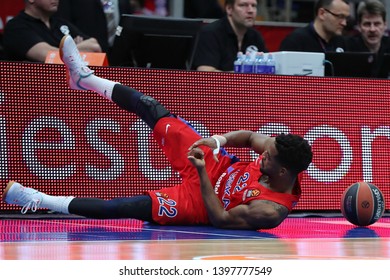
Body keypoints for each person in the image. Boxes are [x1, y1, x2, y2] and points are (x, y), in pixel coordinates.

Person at [2, 35, 313, 230]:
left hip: (199, 202)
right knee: (151, 108)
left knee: (125, 207)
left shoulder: (270, 210)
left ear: (283, 170)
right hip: (218, 163)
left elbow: (220, 218)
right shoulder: (278, 152)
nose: (264, 152)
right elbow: (246, 136)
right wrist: (216, 141)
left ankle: (37, 199)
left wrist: (202, 173)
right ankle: (85, 79)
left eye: (268, 156)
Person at [3, 0, 101, 63]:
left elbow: (95, 46)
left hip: (67, 87)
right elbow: (50, 57)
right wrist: (76, 48)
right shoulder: (16, 27)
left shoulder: (59, 22)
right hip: (33, 90)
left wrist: (62, 51)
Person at [192, 0, 268, 72]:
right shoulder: (210, 33)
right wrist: (244, 76)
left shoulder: (255, 36)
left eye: (254, 5)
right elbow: (206, 72)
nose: (250, 10)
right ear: (229, 9)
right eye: (243, 5)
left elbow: (267, 68)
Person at [56, 0, 133, 55]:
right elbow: (65, 20)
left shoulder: (124, 2)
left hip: (119, 51)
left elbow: (125, 23)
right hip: (89, 50)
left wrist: (119, 36)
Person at [279, 0, 350, 52]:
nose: (344, 23)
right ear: (322, 13)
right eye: (340, 16)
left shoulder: (342, 42)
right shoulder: (296, 41)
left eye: (346, 18)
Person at [345, 0, 390, 77]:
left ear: (385, 25)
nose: (372, 29)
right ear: (359, 26)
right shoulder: (347, 47)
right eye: (367, 24)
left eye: (377, 24)